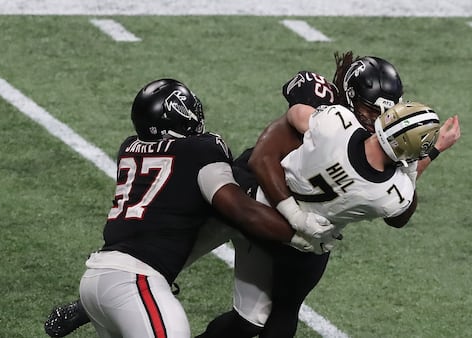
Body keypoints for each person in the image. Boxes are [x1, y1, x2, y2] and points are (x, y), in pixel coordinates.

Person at [196, 54, 460, 338]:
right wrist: (426, 153)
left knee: (258, 318)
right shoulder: (335, 118)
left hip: (285, 215)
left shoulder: (337, 121)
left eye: (383, 113)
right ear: (350, 96)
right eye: (370, 110)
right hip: (267, 200)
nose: (375, 120)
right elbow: (264, 158)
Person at [60, 78, 334, 338]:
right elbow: (239, 210)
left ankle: (88, 306)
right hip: (136, 281)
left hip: (100, 272)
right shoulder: (202, 150)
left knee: (255, 316)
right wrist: (297, 231)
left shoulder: (129, 147)